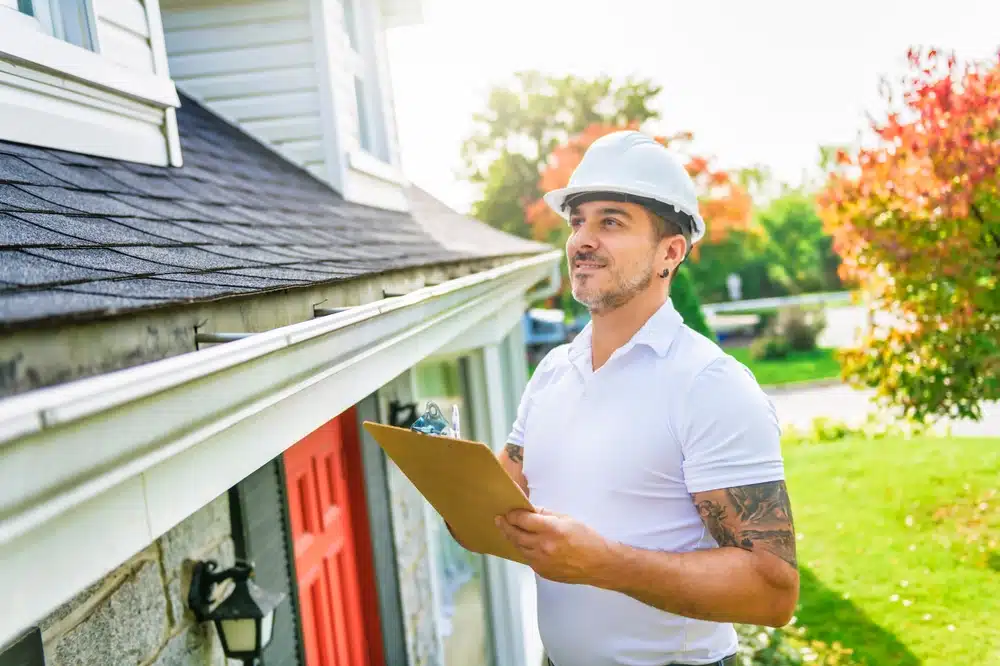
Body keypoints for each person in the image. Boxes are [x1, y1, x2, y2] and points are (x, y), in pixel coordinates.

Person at [491, 131, 799, 666]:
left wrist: (603, 564)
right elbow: (501, 499)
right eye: (578, 220)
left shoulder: (709, 384)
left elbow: (773, 592)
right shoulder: (552, 373)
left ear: (670, 252)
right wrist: (447, 479)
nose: (582, 239)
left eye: (610, 221)